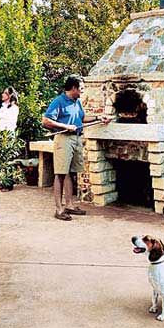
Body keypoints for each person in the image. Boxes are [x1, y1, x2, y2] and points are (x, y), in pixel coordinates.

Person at [42, 75, 108, 221]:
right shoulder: (58, 101)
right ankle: (59, 210)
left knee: (70, 173)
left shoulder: (76, 102)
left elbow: (82, 118)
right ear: (73, 88)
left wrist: (98, 118)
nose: (83, 91)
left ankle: (70, 205)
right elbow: (46, 120)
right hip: (63, 139)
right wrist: (65, 126)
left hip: (76, 138)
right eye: (81, 88)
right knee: (60, 174)